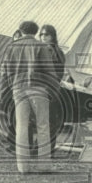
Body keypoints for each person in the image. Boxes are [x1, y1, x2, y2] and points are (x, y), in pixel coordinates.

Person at [0, 20, 57, 173]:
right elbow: (50, 71)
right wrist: (54, 91)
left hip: (18, 87)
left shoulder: (11, 46)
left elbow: (4, 72)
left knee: (22, 126)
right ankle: (44, 165)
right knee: (43, 125)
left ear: (21, 30)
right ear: (35, 31)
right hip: (38, 88)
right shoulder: (41, 46)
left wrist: (2, 92)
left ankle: (23, 167)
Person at [39, 24, 67, 154]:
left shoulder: (48, 50)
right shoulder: (58, 51)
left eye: (46, 35)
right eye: (41, 34)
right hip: (53, 88)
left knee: (45, 121)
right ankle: (47, 148)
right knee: (50, 121)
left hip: (46, 88)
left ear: (52, 36)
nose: (43, 37)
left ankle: (44, 149)